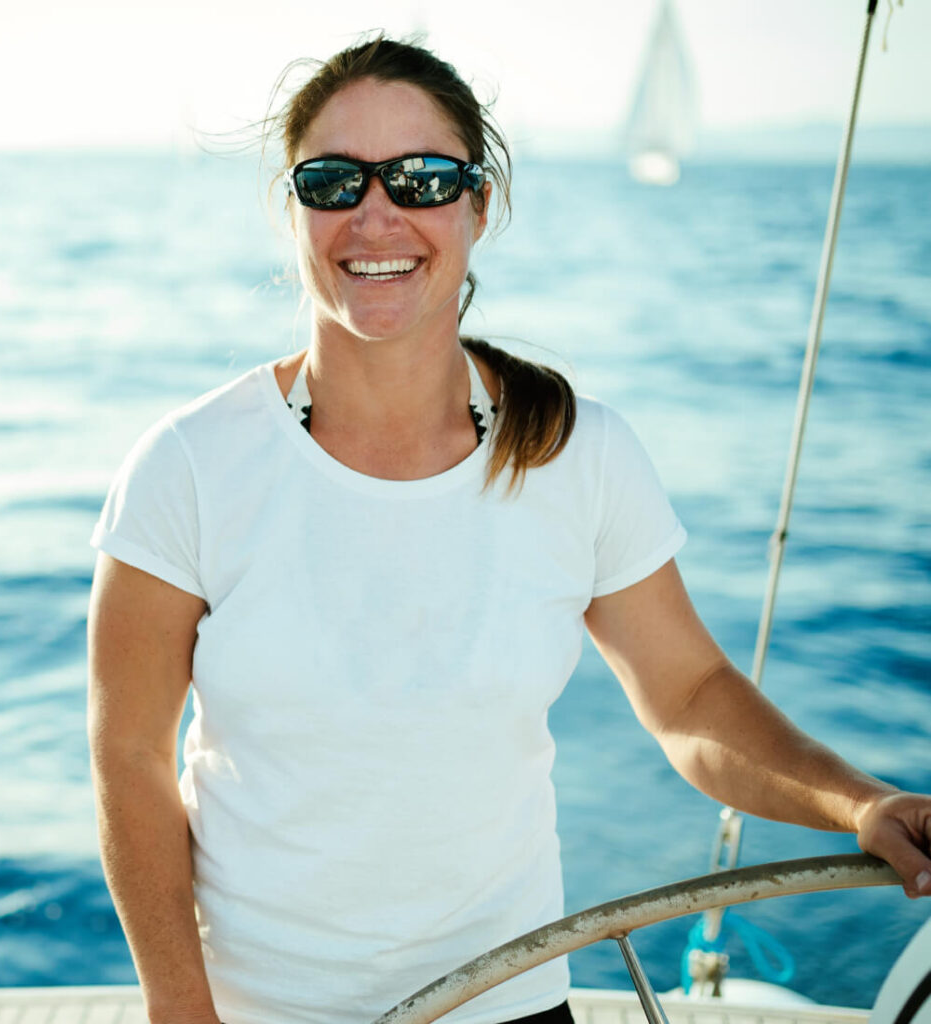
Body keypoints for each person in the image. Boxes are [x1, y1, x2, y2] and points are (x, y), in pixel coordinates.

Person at [87, 34, 931, 1024]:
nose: (375, 214)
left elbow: (688, 696)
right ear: (292, 209)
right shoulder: (187, 466)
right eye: (332, 181)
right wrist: (180, 1010)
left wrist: (857, 803)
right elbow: (130, 758)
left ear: (477, 205)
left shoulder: (577, 453)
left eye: (420, 178)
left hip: (510, 1002)